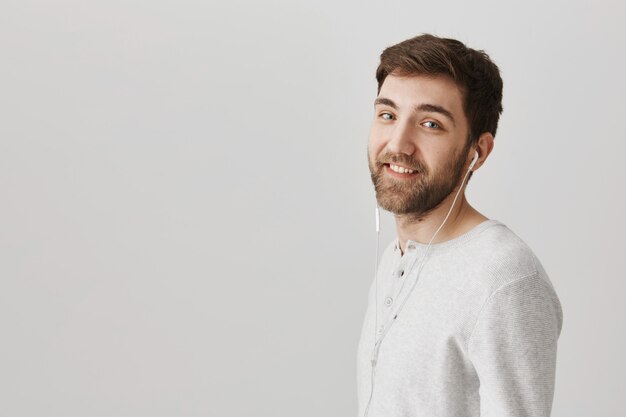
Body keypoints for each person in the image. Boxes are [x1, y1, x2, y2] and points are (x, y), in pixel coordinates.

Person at [357, 34, 563, 417]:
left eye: (430, 124)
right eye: (388, 114)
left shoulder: (505, 278)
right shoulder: (395, 257)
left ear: (477, 151)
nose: (398, 143)